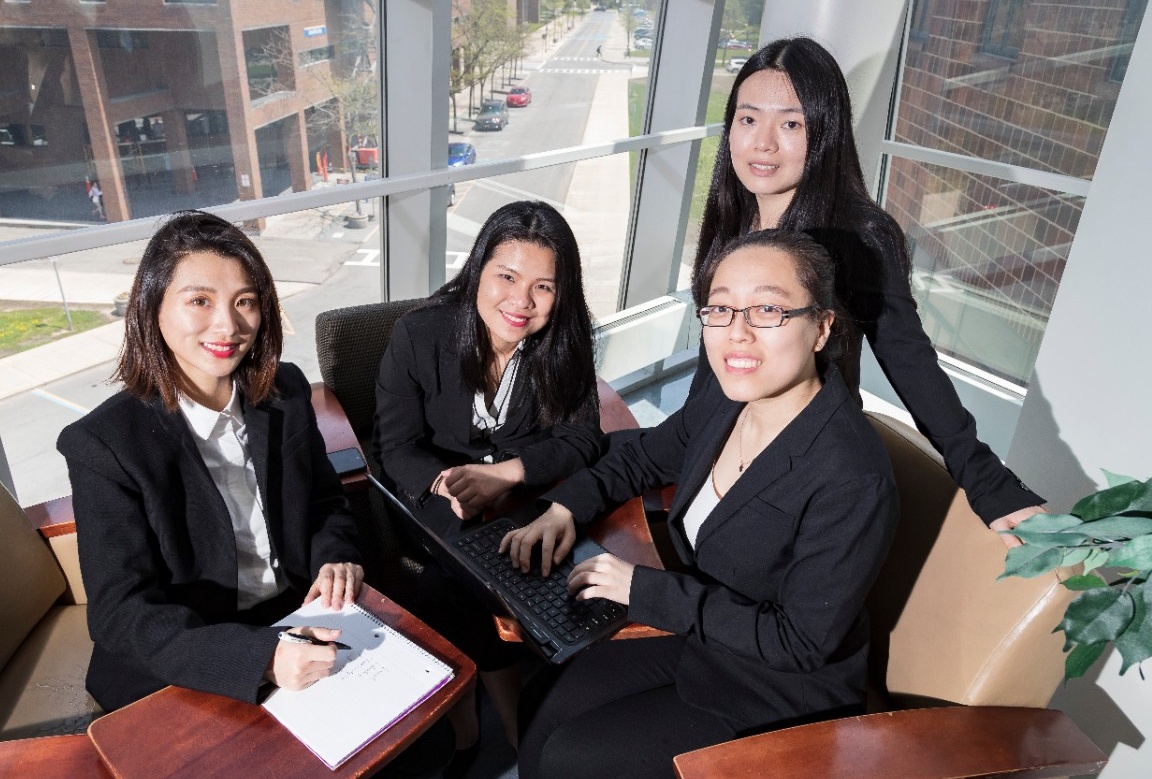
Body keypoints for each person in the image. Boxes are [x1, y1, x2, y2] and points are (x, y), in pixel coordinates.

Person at [57, 210, 450, 777]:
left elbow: (325, 501)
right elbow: (121, 615)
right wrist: (261, 657)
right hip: (193, 652)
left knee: (418, 746)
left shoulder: (284, 390)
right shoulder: (104, 444)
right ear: (152, 308)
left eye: (245, 301)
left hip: (295, 615)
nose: (227, 325)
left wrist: (336, 556)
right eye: (199, 301)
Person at [506, 230, 900, 779]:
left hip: (779, 687)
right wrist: (564, 508)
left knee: (570, 757)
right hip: (706, 636)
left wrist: (643, 590)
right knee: (541, 700)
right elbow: (643, 458)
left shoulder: (851, 476)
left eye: (768, 309)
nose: (737, 332)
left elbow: (800, 642)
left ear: (822, 327)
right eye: (720, 309)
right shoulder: (726, 396)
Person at [691, 37, 1044, 543]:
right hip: (721, 444)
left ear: (826, 131)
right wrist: (684, 444)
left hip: (797, 470)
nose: (762, 143)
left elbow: (910, 359)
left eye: (791, 124)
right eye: (748, 119)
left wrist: (986, 479)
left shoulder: (859, 234)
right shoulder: (731, 217)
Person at [373, 200, 601, 770]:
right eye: (507, 277)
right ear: (478, 271)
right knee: (461, 577)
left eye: (543, 287)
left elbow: (583, 438)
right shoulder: (420, 333)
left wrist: (508, 474)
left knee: (475, 579)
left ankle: (475, 726)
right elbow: (395, 447)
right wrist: (449, 484)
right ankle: (511, 728)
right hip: (439, 493)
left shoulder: (566, 341)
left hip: (525, 493)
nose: (521, 301)